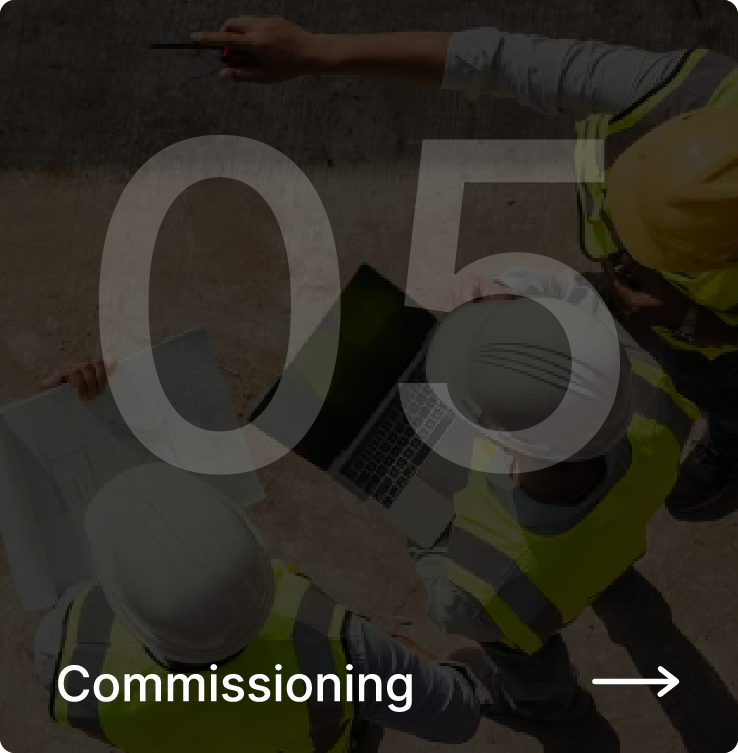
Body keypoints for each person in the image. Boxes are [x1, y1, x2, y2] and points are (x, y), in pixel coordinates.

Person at [190, 12, 738, 513]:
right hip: (660, 309)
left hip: (715, 348)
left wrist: (694, 324)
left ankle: (730, 445)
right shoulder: (683, 89)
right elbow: (495, 59)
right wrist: (317, 51)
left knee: (719, 392)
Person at [32, 364, 491, 752]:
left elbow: (73, 580)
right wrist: (400, 654)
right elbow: (458, 714)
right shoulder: (338, 651)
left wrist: (67, 419)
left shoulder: (65, 656)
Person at [409, 266, 699, 723]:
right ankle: (611, 581)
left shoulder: (482, 593)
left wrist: (417, 508)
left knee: (517, 649)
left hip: (536, 597)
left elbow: (446, 606)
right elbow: (585, 352)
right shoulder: (658, 405)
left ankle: (548, 705)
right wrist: (518, 328)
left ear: (491, 434)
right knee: (595, 558)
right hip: (606, 545)